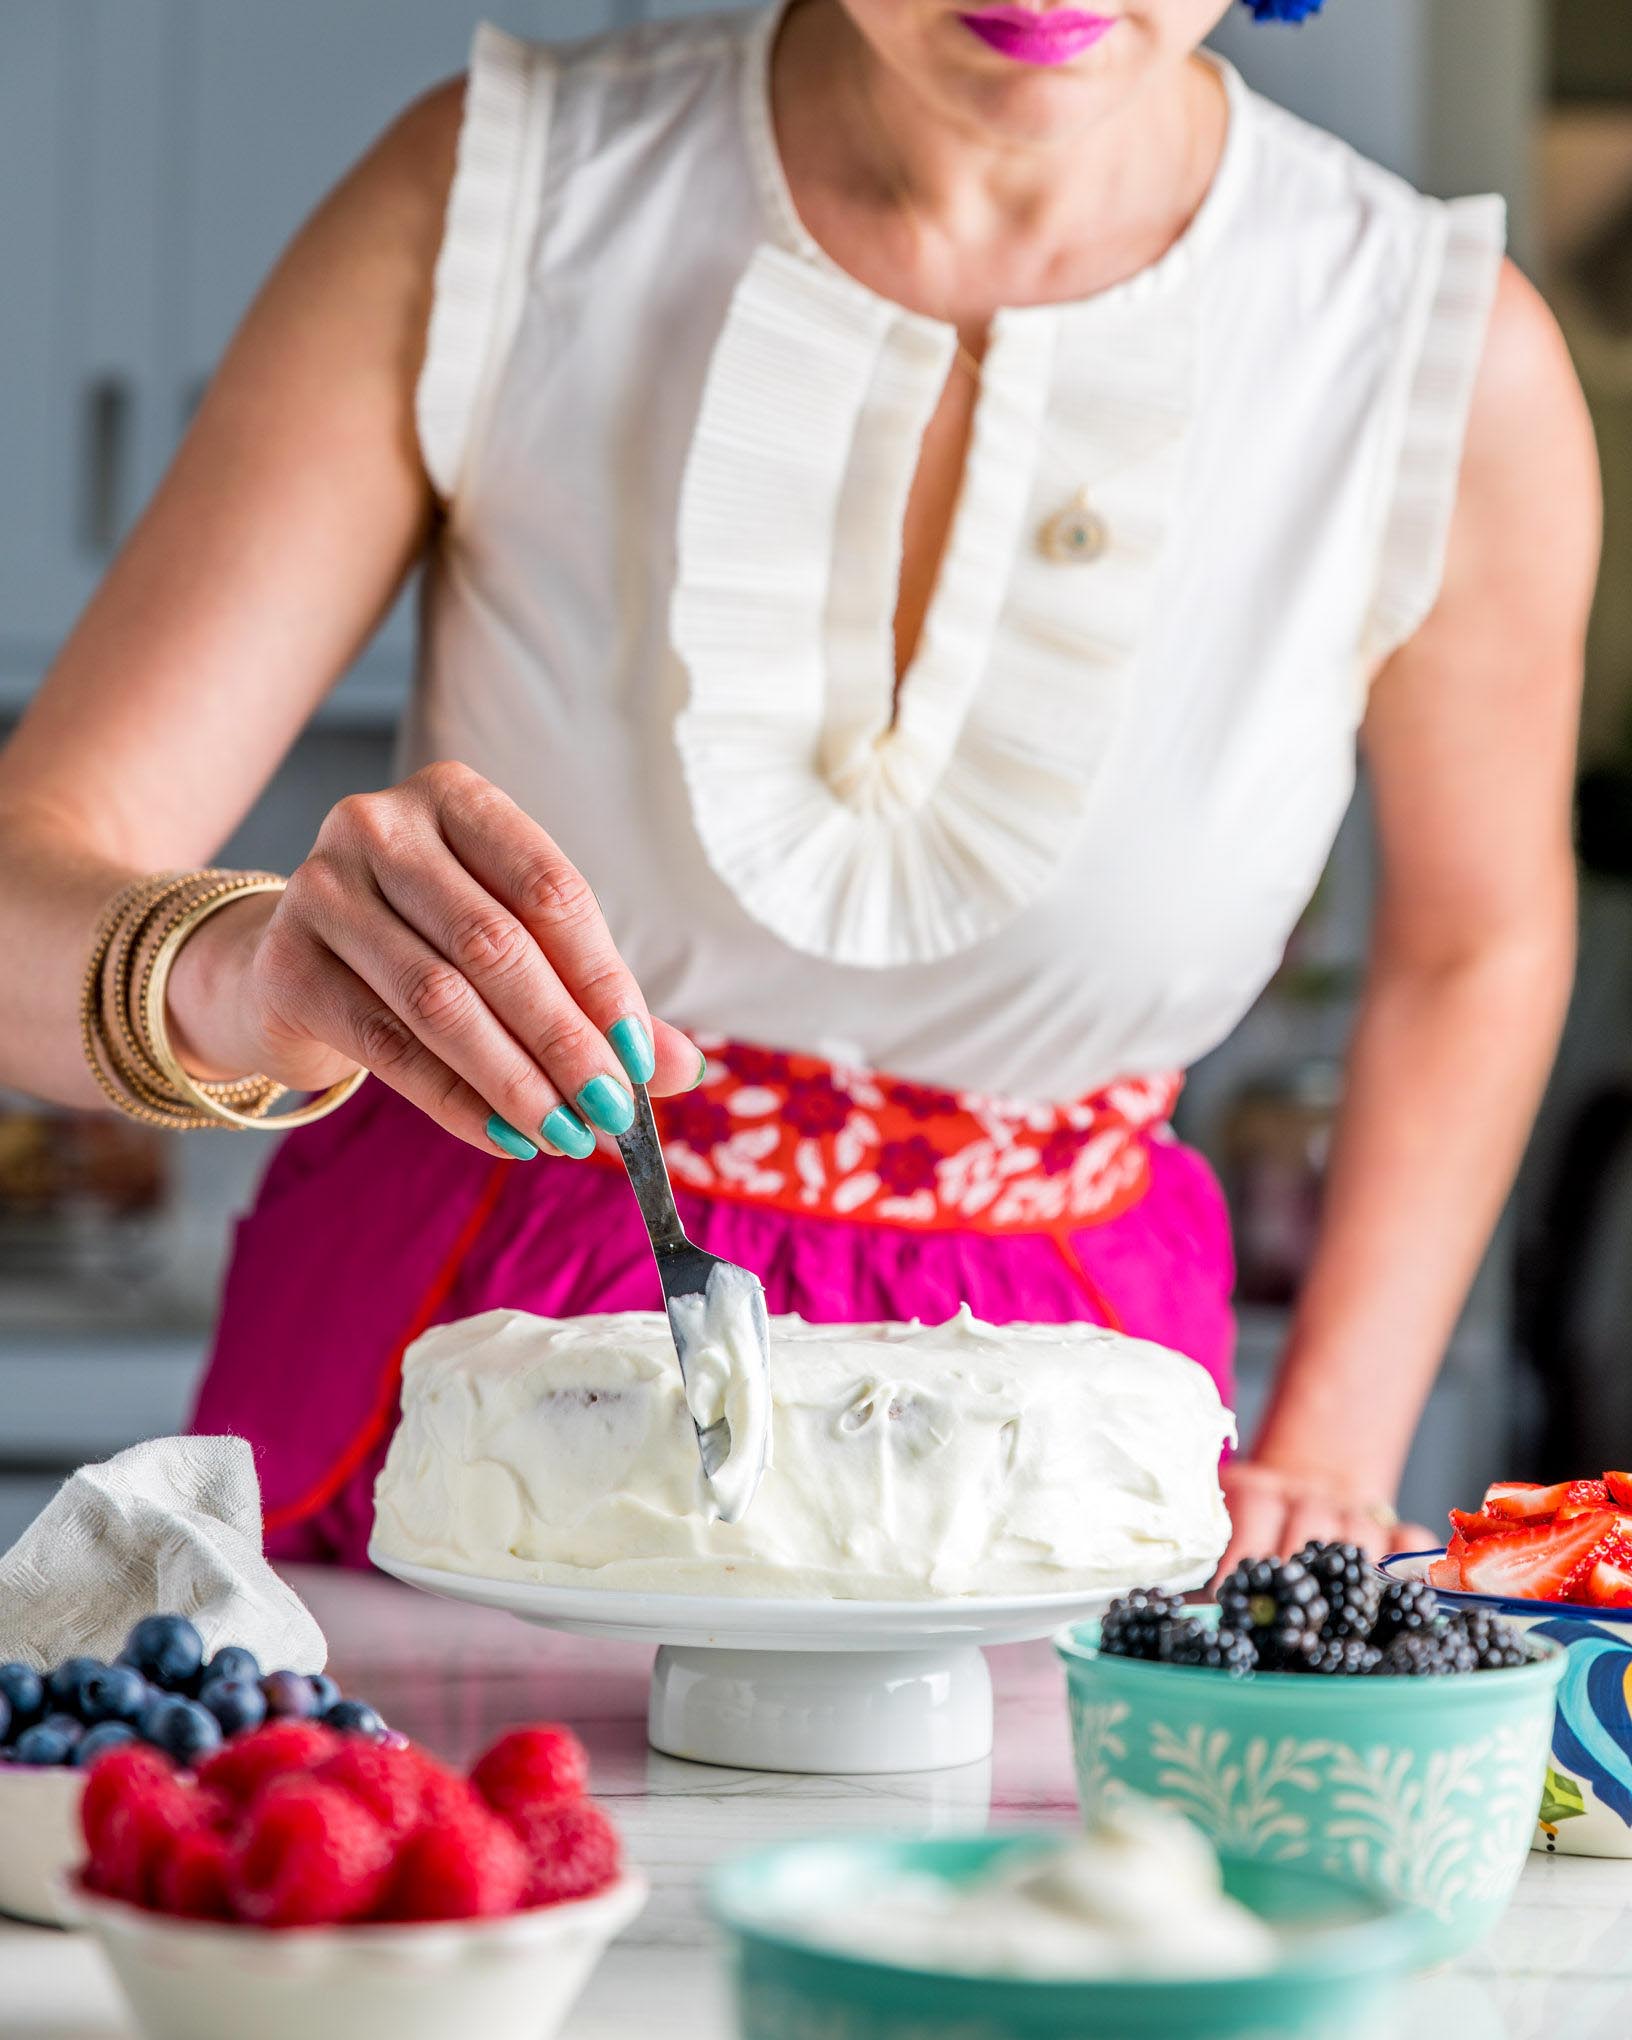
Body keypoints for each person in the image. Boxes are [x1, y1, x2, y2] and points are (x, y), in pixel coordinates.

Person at [0, 0, 1599, 1573]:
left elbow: (1477, 944)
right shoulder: (501, 198)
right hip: (438, 1396)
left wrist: (1329, 1443)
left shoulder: (1431, 354)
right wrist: (233, 969)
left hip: (1064, 1477)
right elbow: (28, 881)